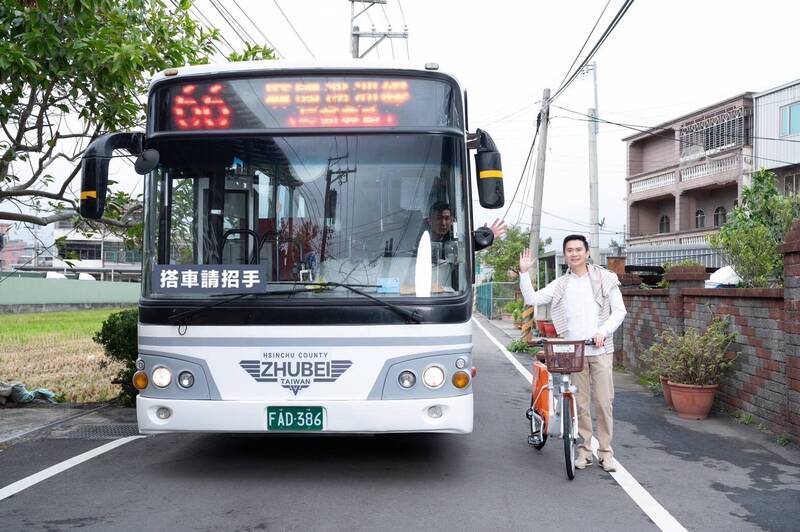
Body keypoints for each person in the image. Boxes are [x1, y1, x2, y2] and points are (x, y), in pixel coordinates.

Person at [518, 234, 627, 472]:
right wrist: (524, 273)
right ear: (565, 254)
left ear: (587, 253)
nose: (574, 253)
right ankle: (584, 450)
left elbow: (619, 311)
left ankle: (606, 452)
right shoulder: (562, 284)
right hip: (573, 351)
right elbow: (532, 298)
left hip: (599, 349)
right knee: (580, 403)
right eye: (569, 250)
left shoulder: (605, 279)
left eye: (579, 249)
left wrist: (603, 331)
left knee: (604, 402)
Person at [421, 201, 506, 250]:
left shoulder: (453, 238)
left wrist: (486, 237)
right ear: (429, 221)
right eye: (439, 218)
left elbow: (468, 245)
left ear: (452, 221)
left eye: (447, 219)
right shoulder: (419, 237)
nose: (443, 223)